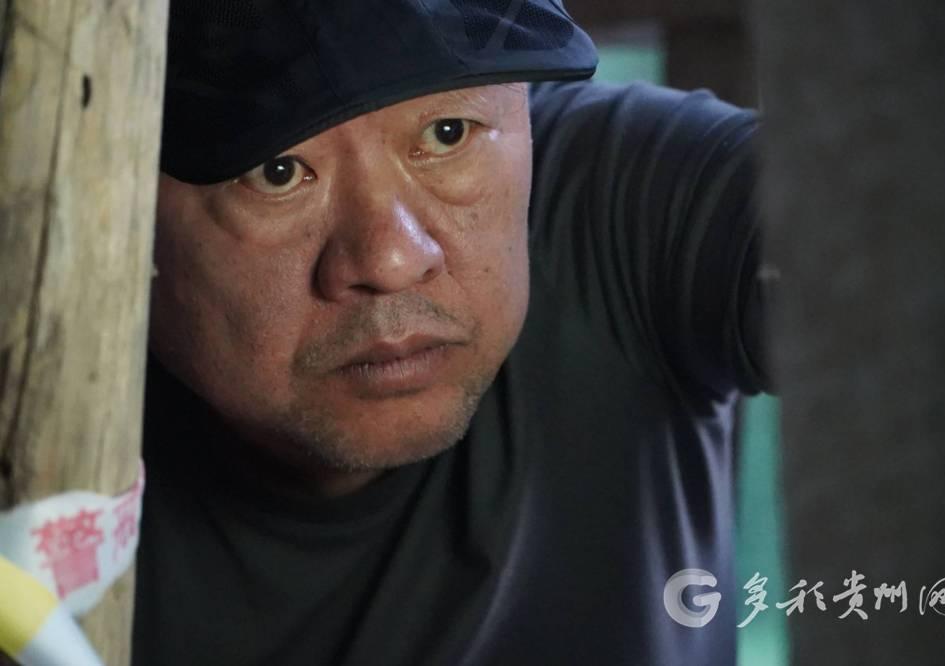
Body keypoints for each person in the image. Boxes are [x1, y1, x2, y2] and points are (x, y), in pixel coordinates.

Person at [134, 1, 771, 664]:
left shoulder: (621, 199)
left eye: (446, 133)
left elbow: (840, 230)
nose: (391, 258)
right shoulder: (62, 395)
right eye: (278, 171)